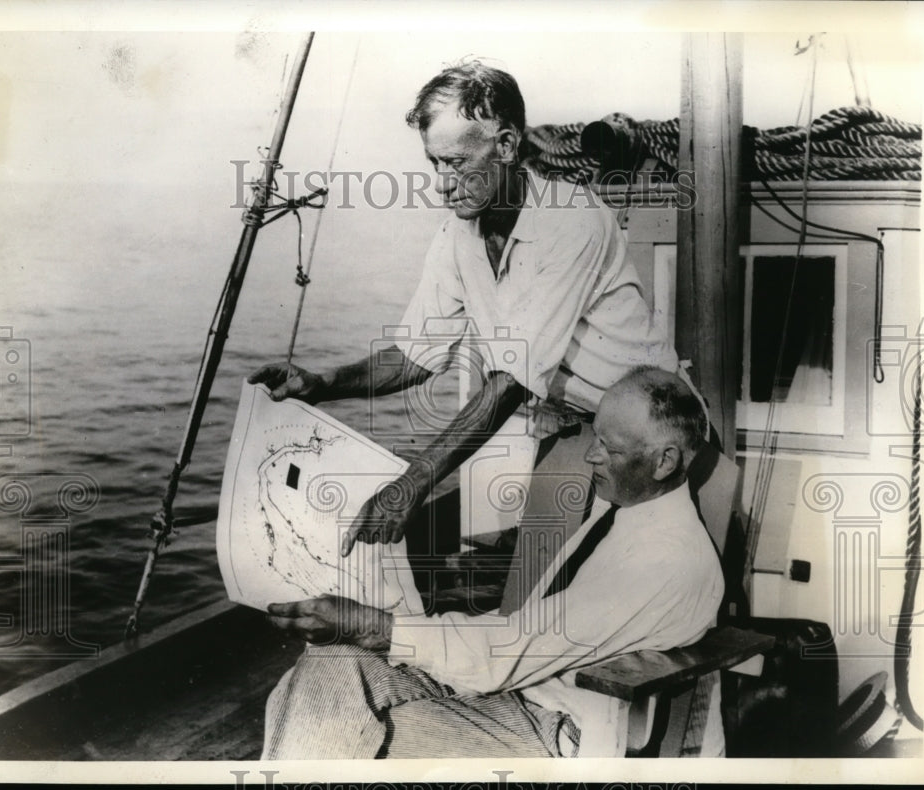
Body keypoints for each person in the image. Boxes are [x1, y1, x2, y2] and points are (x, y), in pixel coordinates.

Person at [249, 61, 683, 612]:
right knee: (531, 609)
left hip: (649, 431)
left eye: (456, 162)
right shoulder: (459, 233)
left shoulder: (573, 221)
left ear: (505, 145)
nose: (442, 182)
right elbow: (415, 355)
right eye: (434, 163)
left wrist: (412, 485)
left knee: (597, 613)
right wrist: (322, 383)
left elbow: (509, 383)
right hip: (575, 429)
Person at [260, 367, 724, 759]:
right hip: (513, 688)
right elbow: (521, 640)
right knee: (328, 665)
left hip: (555, 726)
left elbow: (509, 651)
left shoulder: (667, 559)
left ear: (665, 461)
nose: (590, 455)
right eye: (596, 438)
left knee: (345, 731)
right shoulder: (626, 509)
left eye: (611, 448)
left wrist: (373, 625)